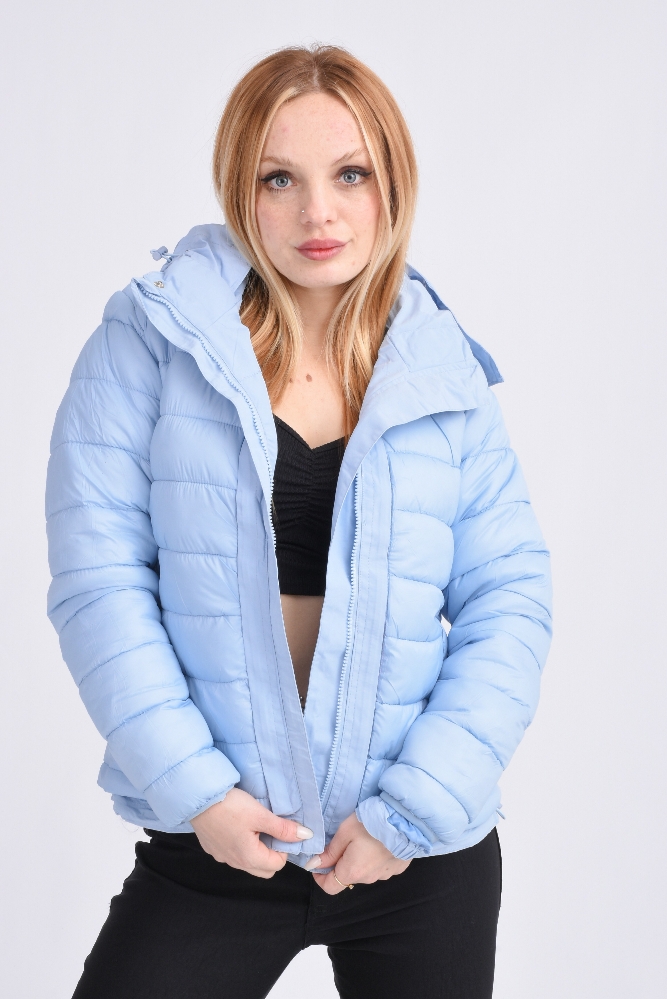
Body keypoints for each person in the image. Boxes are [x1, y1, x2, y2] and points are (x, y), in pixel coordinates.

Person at [46, 44, 552, 999]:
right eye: (279, 178)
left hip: (414, 856)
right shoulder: (149, 340)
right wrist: (198, 790)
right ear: (241, 187)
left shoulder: (441, 365)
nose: (318, 212)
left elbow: (509, 599)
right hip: (218, 840)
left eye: (349, 174)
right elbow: (98, 583)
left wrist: (412, 810)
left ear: (391, 181)